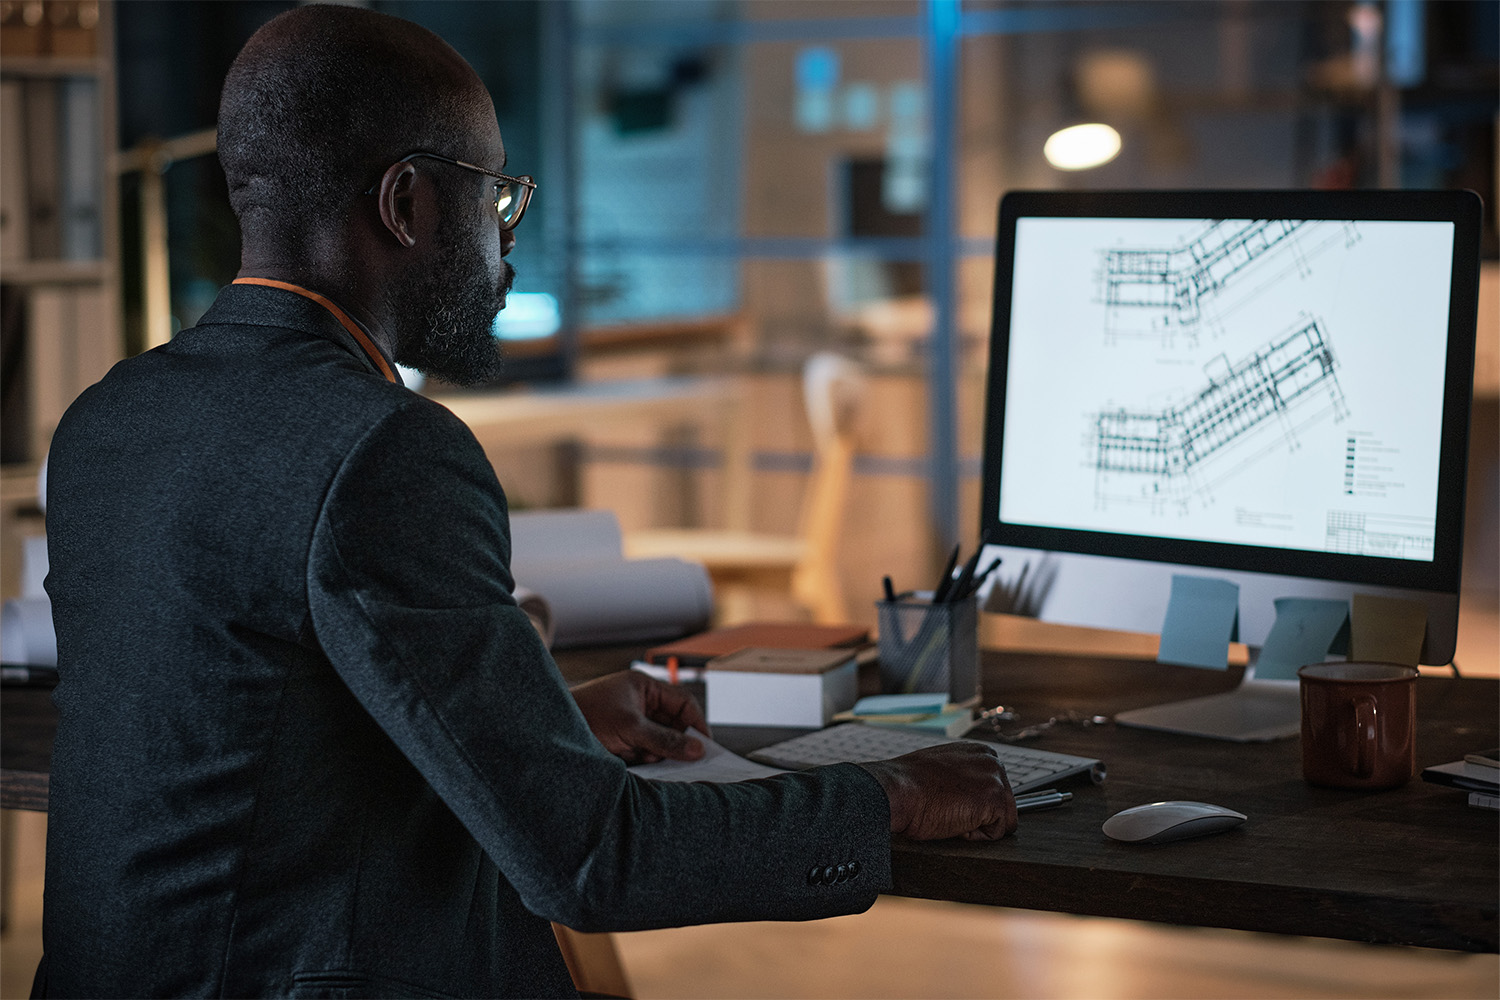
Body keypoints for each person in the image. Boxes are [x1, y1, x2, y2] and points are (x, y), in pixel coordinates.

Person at [37, 6, 1016, 997]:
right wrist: (882, 797)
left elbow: (249, 738)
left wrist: (539, 719)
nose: (505, 245)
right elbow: (592, 859)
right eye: (496, 199)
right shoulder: (384, 450)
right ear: (408, 203)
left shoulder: (107, 419)